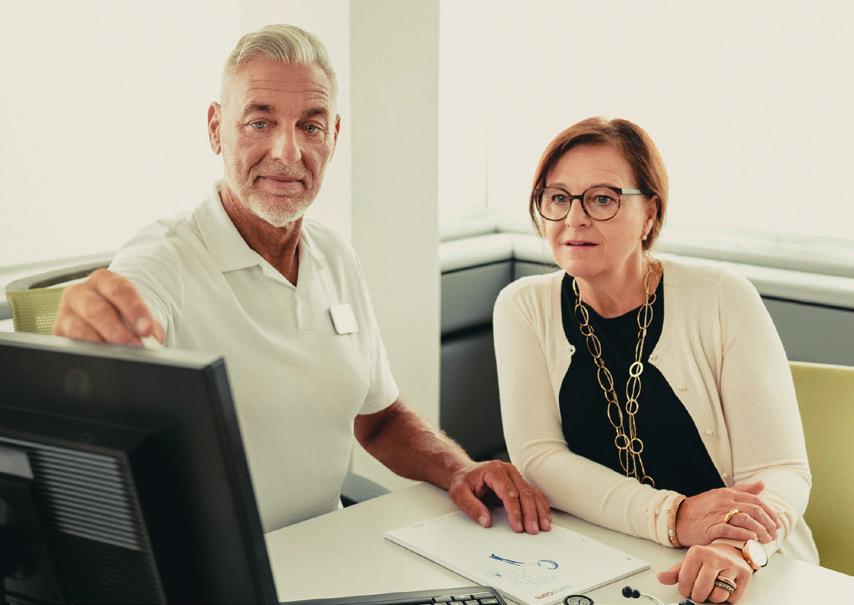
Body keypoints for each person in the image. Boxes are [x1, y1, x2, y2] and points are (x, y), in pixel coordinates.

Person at [52, 24, 551, 537]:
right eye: (259, 122)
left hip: (328, 552)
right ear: (215, 128)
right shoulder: (164, 259)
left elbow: (379, 419)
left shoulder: (336, 257)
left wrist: (459, 468)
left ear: (334, 136)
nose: (287, 153)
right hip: (217, 571)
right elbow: (126, 307)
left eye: (309, 127)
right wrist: (90, 331)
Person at [493, 117, 818, 604]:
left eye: (602, 198)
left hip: (741, 566)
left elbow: (783, 468)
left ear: (650, 213)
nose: (573, 219)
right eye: (557, 198)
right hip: (600, 561)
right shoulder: (522, 306)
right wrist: (675, 517)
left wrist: (736, 547)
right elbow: (540, 458)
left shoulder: (724, 298)